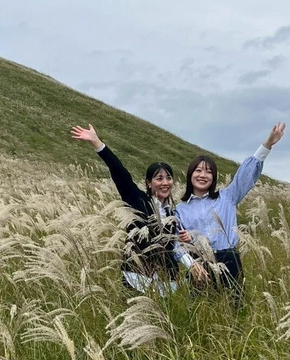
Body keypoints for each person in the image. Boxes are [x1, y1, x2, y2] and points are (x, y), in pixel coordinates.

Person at [71, 124, 207, 294]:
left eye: (168, 178)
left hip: (166, 283)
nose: (165, 183)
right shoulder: (138, 200)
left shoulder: (172, 214)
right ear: (149, 183)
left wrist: (192, 264)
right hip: (137, 278)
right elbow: (120, 174)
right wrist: (98, 143)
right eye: (159, 178)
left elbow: (175, 246)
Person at [176, 123, 286, 308]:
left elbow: (245, 175)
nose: (203, 175)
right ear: (190, 175)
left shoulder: (227, 197)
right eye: (198, 170)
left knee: (234, 311)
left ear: (214, 178)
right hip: (199, 264)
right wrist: (189, 256)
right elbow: (176, 243)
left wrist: (268, 144)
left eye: (209, 172)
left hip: (228, 260)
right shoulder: (180, 208)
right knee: (199, 313)